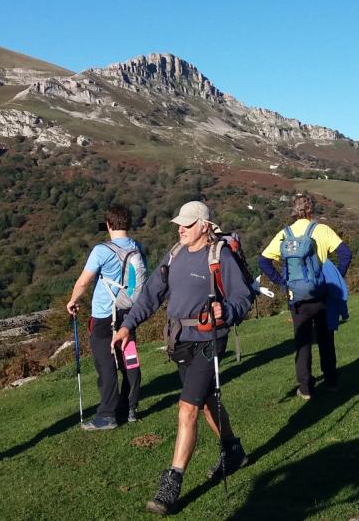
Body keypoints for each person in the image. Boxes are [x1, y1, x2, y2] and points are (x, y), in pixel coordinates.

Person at [112, 201, 255, 515]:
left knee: (187, 407)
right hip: (179, 344)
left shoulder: (220, 256)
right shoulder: (174, 254)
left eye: (188, 224)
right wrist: (127, 326)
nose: (181, 228)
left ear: (204, 225)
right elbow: (150, 294)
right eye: (180, 223)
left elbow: (243, 297)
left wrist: (226, 310)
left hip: (208, 342)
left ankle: (171, 484)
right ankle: (233, 450)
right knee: (205, 403)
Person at [258, 193, 353, 399]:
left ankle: (305, 388)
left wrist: (282, 283)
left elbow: (264, 261)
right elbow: (345, 254)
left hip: (297, 298)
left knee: (302, 342)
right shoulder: (322, 230)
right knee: (326, 339)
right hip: (321, 294)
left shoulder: (285, 233)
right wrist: (336, 277)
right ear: (311, 209)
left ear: (294, 210)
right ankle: (331, 381)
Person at [65, 204, 145, 430]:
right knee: (129, 359)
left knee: (105, 362)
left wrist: (73, 301)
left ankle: (107, 415)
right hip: (129, 313)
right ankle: (129, 408)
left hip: (104, 316)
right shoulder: (137, 247)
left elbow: (83, 282)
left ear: (108, 224)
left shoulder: (102, 250)